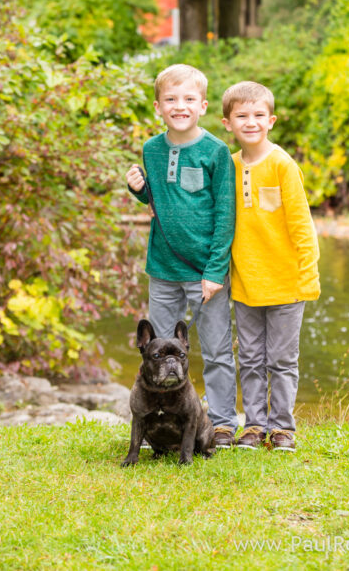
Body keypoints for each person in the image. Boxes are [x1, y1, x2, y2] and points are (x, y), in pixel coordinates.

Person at [126, 63, 238, 447]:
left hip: (204, 272)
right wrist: (139, 190)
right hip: (162, 269)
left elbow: (226, 214)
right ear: (158, 106)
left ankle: (221, 423)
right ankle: (164, 421)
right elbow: (160, 200)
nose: (180, 106)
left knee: (216, 348)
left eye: (189, 99)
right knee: (160, 352)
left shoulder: (216, 151)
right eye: (171, 99)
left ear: (203, 105)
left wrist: (215, 270)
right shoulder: (151, 149)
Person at [221, 80, 320, 452]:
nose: (251, 122)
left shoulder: (282, 165)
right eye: (242, 115)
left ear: (272, 120)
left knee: (281, 359)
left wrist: (307, 275)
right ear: (228, 122)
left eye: (258, 115)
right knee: (249, 357)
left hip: (287, 282)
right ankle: (254, 425)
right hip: (246, 282)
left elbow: (301, 224)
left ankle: (282, 428)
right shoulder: (228, 166)